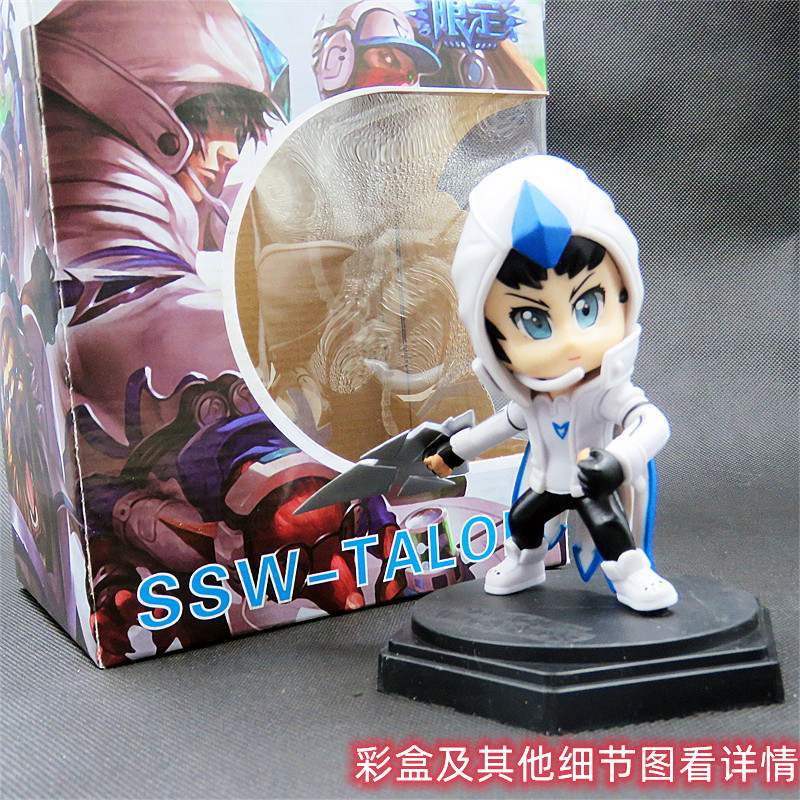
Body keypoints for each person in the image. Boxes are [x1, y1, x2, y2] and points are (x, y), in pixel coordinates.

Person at [425, 155, 678, 612]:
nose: (570, 342)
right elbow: (502, 424)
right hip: (547, 482)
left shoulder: (604, 393)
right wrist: (453, 452)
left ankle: (634, 574)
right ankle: (526, 564)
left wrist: (618, 460)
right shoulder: (532, 397)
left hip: (592, 484)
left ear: (624, 296)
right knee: (522, 519)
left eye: (588, 308)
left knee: (609, 528)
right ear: (491, 339)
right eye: (533, 321)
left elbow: (652, 423)